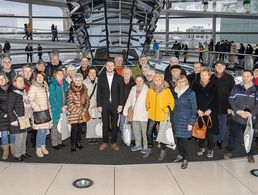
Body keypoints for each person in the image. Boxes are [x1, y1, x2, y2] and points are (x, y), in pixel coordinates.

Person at [224, 70, 258, 163]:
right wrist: (238, 111)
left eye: (248, 76)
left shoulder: (256, 89)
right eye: (243, 76)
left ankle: (250, 154)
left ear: (252, 77)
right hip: (237, 118)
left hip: (250, 119)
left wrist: (251, 113)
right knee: (232, 135)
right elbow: (231, 99)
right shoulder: (236, 88)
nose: (245, 78)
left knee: (249, 137)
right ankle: (229, 151)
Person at [144, 73, 174, 160]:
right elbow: (147, 99)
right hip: (152, 115)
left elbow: (172, 102)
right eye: (155, 80)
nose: (157, 82)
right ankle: (150, 149)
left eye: (159, 80)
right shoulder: (150, 89)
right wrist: (147, 105)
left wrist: (167, 109)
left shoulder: (166, 90)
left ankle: (163, 150)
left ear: (162, 80)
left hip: (162, 115)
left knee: (162, 134)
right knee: (148, 133)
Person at [97, 60, 124, 151]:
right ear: (105, 66)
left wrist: (120, 105)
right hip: (104, 105)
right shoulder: (101, 77)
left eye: (111, 65)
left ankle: (113, 142)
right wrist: (99, 105)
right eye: (108, 65)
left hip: (115, 105)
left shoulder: (119, 78)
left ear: (114, 66)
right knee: (105, 124)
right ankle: (104, 142)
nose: (109, 67)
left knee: (114, 124)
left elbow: (121, 93)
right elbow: (98, 93)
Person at [193, 68, 219, 158]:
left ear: (209, 76)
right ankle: (201, 147)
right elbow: (193, 99)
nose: (203, 77)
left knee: (209, 133)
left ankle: (210, 149)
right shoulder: (196, 85)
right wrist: (197, 110)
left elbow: (217, 99)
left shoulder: (214, 85)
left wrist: (210, 110)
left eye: (205, 75)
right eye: (202, 75)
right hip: (199, 112)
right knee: (200, 131)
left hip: (210, 113)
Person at [173, 75, 197, 169]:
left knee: (184, 141)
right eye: (179, 82)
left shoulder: (190, 93)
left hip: (186, 121)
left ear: (186, 82)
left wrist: (191, 123)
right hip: (176, 120)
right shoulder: (175, 92)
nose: (181, 84)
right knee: (178, 140)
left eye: (183, 82)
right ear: (177, 83)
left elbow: (194, 109)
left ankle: (185, 159)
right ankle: (181, 154)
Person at [7, 75, 32, 162]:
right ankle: (17, 155)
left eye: (22, 81)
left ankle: (23, 152)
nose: (21, 83)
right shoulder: (12, 93)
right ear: (14, 83)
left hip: (25, 118)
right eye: (19, 81)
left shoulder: (24, 92)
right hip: (18, 120)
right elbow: (9, 108)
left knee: (24, 136)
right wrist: (13, 120)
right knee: (19, 138)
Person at [28, 72, 52, 157]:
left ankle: (43, 145)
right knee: (41, 131)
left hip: (46, 111)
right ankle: (38, 148)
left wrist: (49, 108)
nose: (40, 78)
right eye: (38, 77)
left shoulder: (45, 85)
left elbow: (48, 98)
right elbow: (30, 99)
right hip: (38, 112)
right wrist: (37, 108)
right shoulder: (33, 87)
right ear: (35, 78)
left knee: (45, 131)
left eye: (41, 77)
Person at [214, 61, 235, 149]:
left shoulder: (229, 78)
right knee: (214, 124)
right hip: (213, 106)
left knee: (222, 125)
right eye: (217, 66)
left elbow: (233, 94)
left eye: (221, 66)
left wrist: (230, 107)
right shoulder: (211, 77)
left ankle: (220, 140)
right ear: (215, 67)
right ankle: (215, 139)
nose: (219, 68)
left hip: (225, 106)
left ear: (224, 67)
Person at [67, 73, 90, 152]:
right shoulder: (70, 90)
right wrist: (80, 111)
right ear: (73, 80)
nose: (78, 82)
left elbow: (87, 100)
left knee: (80, 129)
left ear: (82, 80)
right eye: (76, 80)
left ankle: (78, 142)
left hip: (82, 113)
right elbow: (70, 103)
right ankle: (73, 145)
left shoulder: (84, 88)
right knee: (74, 129)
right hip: (74, 113)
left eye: (79, 80)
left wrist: (85, 109)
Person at [49, 68, 69, 150]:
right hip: (56, 109)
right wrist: (60, 107)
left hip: (64, 108)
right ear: (55, 75)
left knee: (62, 125)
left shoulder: (65, 83)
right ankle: (54, 143)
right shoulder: (52, 84)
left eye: (62, 74)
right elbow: (52, 98)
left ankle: (60, 141)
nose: (61, 75)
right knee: (55, 126)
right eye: (59, 74)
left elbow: (68, 95)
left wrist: (66, 105)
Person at [0, 73, 15, 160]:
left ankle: (13, 149)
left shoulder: (12, 88)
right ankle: (6, 151)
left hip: (12, 114)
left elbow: (16, 100)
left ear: (6, 79)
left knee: (13, 133)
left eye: (3, 78)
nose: (1, 80)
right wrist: (3, 114)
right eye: (0, 79)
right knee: (4, 134)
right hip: (2, 117)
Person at [83, 66, 100, 142]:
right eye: (91, 73)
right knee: (90, 121)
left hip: (98, 105)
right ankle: (90, 137)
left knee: (98, 120)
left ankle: (97, 135)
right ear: (88, 73)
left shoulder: (99, 81)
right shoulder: (84, 83)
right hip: (89, 105)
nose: (92, 74)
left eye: (94, 73)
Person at [120, 68, 135, 145]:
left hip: (131, 108)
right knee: (122, 125)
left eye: (128, 73)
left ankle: (132, 139)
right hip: (121, 107)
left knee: (132, 124)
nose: (126, 75)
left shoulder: (134, 83)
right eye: (125, 73)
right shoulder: (119, 82)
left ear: (131, 74)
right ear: (122, 74)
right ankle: (124, 139)